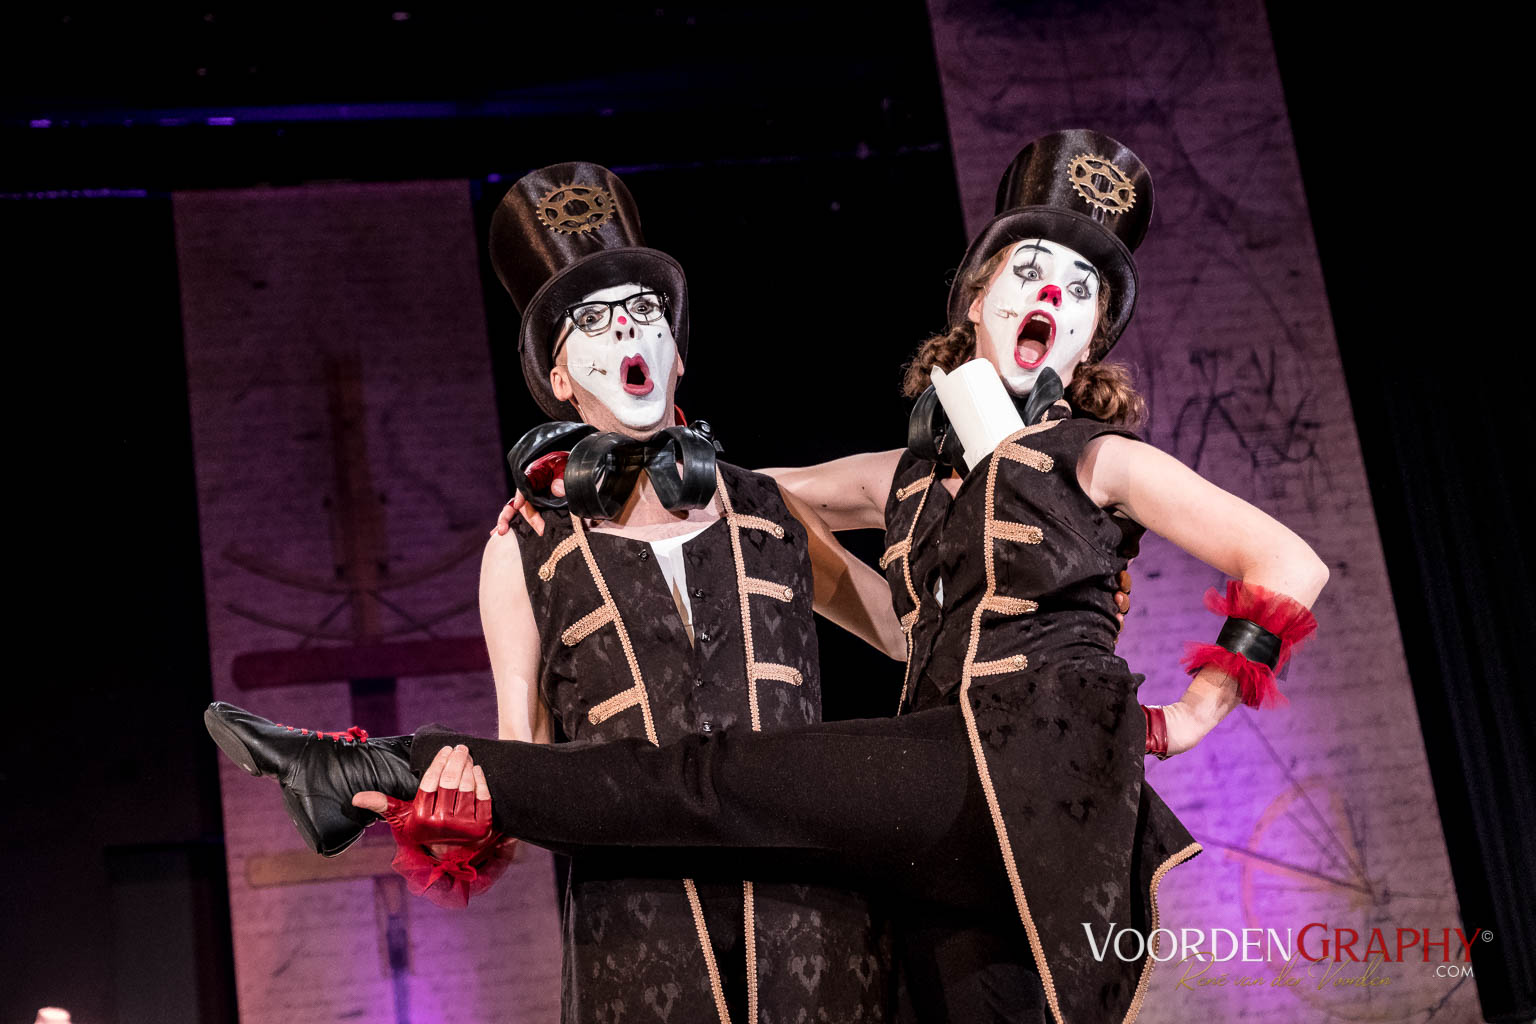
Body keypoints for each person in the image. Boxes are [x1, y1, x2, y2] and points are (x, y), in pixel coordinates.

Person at [210, 131, 1326, 1024]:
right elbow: (779, 516)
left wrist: (1181, 706)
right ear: (975, 297)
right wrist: (571, 480)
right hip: (824, 852)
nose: (1053, 298)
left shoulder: (1085, 457)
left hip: (957, 813)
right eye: (1030, 272)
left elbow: (1284, 561)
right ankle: (373, 774)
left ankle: (368, 765)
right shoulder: (890, 478)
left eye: (1082, 292)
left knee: (712, 776)